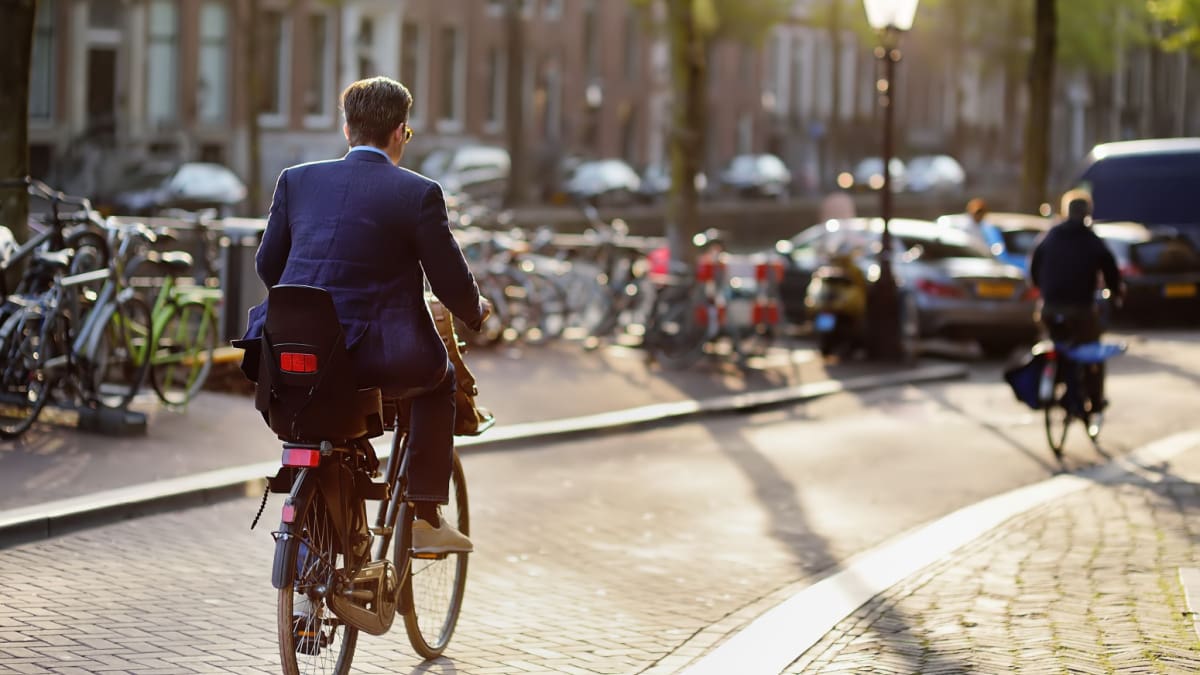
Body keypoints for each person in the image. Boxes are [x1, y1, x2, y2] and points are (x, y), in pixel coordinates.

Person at [242, 76, 486, 555]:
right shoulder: (419, 193)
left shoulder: (296, 180)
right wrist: (476, 313)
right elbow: (450, 281)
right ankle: (425, 513)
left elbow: (268, 265)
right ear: (399, 133)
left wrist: (310, 312)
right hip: (379, 356)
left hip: (293, 346)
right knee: (437, 382)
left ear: (348, 129)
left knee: (323, 395)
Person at [1028, 189, 1122, 414]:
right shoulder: (1091, 240)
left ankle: (1056, 377)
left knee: (1057, 340)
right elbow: (1111, 272)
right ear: (1088, 213)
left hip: (1049, 310)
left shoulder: (1049, 236)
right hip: (1081, 312)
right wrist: (1116, 294)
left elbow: (1033, 269)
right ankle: (1096, 402)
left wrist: (1043, 290)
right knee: (1092, 350)